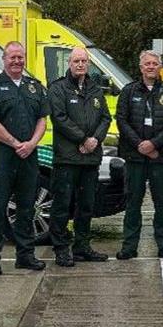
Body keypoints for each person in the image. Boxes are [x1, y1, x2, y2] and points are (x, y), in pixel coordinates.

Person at [0, 41, 50, 276]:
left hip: (28, 156)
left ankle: (25, 256)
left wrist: (31, 144)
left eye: (20, 57)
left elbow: (43, 119)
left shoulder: (34, 87)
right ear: (4, 59)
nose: (17, 61)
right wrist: (14, 143)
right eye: (12, 57)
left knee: (26, 208)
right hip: (3, 155)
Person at [47, 47, 112, 267]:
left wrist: (96, 139)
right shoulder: (58, 88)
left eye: (84, 61)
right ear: (69, 63)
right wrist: (83, 139)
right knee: (62, 206)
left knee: (86, 205)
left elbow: (105, 117)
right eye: (76, 61)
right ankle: (61, 249)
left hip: (91, 158)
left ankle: (82, 246)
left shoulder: (95, 88)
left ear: (88, 64)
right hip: (67, 158)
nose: (80, 65)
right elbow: (59, 118)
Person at [115, 50, 163, 260]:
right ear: (141, 67)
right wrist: (140, 145)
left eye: (154, 63)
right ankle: (129, 247)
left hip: (160, 158)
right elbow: (121, 120)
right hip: (135, 158)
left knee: (162, 204)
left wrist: (154, 144)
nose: (151, 67)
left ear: (160, 67)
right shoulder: (128, 91)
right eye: (147, 64)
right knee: (133, 203)